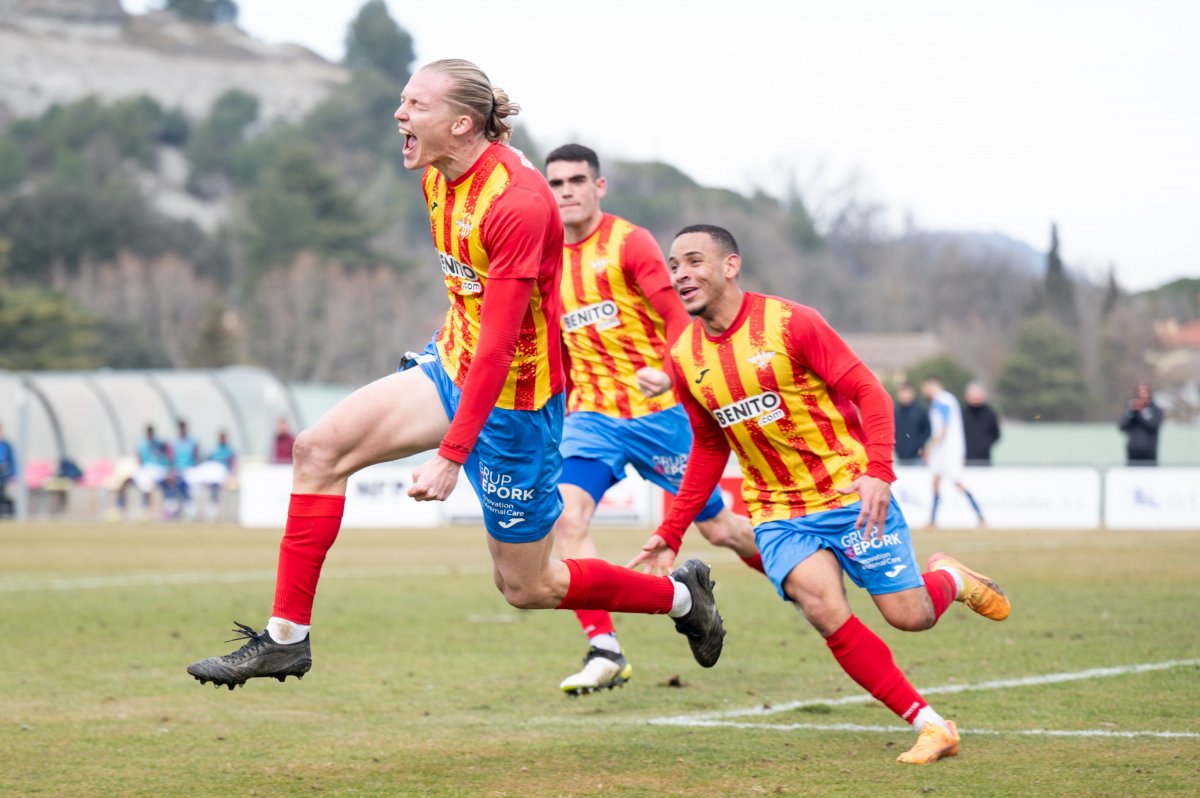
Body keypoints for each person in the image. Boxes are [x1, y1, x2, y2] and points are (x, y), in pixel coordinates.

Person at [187, 59, 724, 690]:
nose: (399, 114)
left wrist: (450, 454)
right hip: (452, 364)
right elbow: (474, 319)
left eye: (416, 105)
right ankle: (285, 640)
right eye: (403, 101)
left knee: (528, 586)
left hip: (514, 404)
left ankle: (683, 599)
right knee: (317, 449)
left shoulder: (518, 205)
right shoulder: (438, 174)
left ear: (462, 124)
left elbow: (499, 349)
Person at [630, 224, 1011, 765]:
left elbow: (868, 391)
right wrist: (669, 532)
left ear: (731, 265)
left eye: (694, 261)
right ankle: (930, 725)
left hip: (849, 492)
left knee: (909, 615)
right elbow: (709, 448)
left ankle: (950, 578)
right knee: (822, 607)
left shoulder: (791, 323)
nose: (681, 275)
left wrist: (879, 469)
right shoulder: (685, 356)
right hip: (778, 512)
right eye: (674, 265)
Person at [545, 144, 761, 695]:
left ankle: (805, 574)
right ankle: (605, 648)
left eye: (576, 180)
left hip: (660, 415)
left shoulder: (629, 242)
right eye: (556, 183)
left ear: (599, 187)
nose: (565, 190)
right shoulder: (545, 257)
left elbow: (676, 317)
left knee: (721, 529)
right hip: (591, 416)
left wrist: (669, 373)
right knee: (566, 521)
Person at [920, 376, 985, 528]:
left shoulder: (943, 400)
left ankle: (980, 515)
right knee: (935, 481)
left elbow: (944, 426)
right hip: (943, 449)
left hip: (948, 449)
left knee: (957, 481)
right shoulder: (941, 401)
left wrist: (930, 447)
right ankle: (932, 520)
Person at [188, 430, 236, 521]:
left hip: (221, 471)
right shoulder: (214, 449)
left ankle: (212, 508)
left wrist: (232, 476)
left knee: (215, 485)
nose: (221, 439)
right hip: (211, 469)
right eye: (220, 437)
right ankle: (191, 506)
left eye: (223, 437)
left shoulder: (230, 451)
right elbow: (207, 461)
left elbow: (233, 464)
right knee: (192, 478)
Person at [1119, 381, 1163, 465]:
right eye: (1139, 393)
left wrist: (1142, 411)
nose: (1142, 396)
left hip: (1149, 456)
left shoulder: (1156, 410)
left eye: (1145, 393)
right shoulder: (1131, 411)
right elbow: (1122, 426)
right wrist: (1131, 412)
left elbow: (1153, 425)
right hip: (1133, 456)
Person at [167, 418, 200, 519]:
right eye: (180, 427)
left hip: (190, 470)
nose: (182, 429)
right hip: (177, 470)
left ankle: (187, 507)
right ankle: (172, 506)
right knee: (168, 481)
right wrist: (172, 471)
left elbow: (196, 457)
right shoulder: (174, 443)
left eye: (183, 426)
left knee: (182, 482)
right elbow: (171, 458)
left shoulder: (192, 442)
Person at [962, 381, 1001, 465]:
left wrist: (984, 445)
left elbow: (995, 435)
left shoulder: (990, 414)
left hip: (984, 458)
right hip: (964, 459)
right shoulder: (961, 414)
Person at [893, 383, 931, 465]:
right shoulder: (894, 412)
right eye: (902, 393)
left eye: (907, 393)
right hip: (898, 457)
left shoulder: (920, 411)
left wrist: (921, 446)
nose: (904, 396)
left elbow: (927, 431)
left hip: (917, 457)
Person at [0, 423, 16, 519]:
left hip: (4, 476)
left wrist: (12, 474)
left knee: (3, 495)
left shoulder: (7, 445)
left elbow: (12, 461)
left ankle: (9, 513)